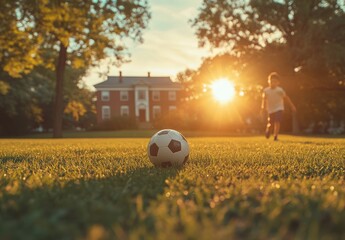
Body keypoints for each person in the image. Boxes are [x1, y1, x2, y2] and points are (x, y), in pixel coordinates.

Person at [261, 72, 296, 141]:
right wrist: (262, 107)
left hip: (279, 108)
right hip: (270, 109)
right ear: (268, 81)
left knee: (277, 121)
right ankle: (268, 130)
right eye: (271, 81)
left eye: (275, 82)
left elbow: (286, 98)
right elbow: (264, 99)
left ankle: (275, 136)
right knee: (270, 123)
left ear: (278, 83)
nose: (273, 83)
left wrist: (292, 106)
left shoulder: (280, 90)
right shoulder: (266, 91)